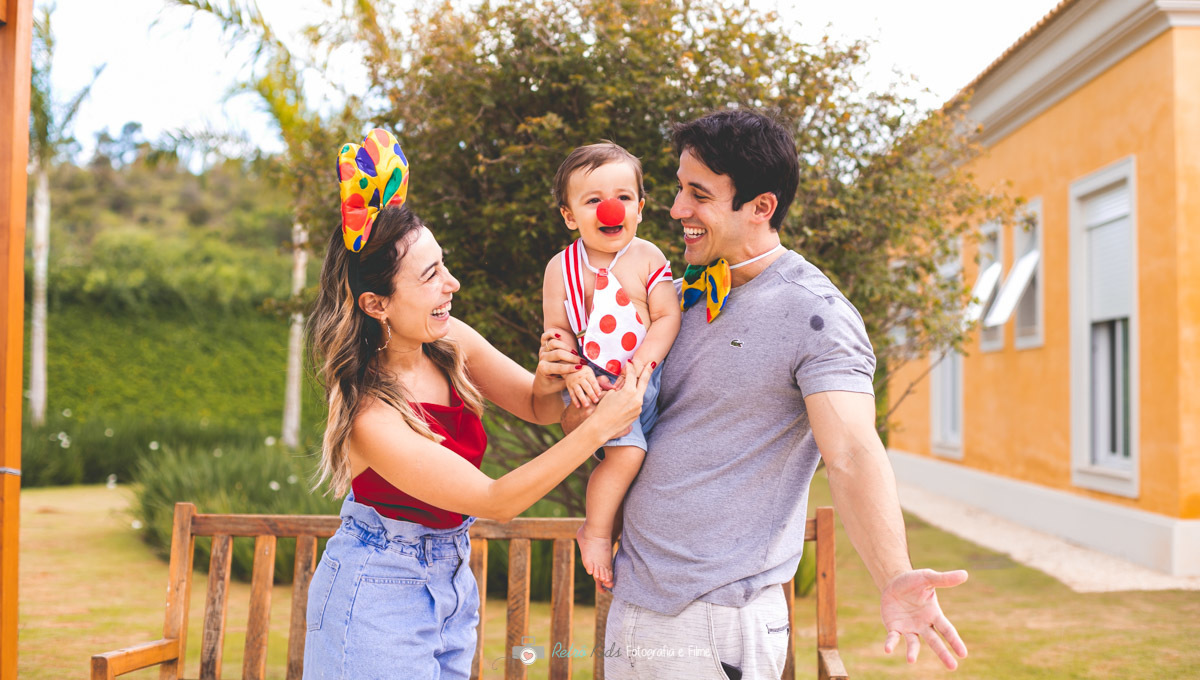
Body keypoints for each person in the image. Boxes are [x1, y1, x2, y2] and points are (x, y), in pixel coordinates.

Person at [557, 110, 970, 679]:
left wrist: (894, 573)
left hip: (718, 620)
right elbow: (598, 433)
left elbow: (851, 453)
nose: (676, 210)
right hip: (636, 603)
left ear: (760, 206)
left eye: (697, 194)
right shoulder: (672, 301)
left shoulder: (816, 314)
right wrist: (572, 387)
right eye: (678, 190)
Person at [303, 129, 652, 680]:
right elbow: (495, 500)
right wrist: (596, 430)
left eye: (444, 265)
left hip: (450, 576)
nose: (453, 283)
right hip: (377, 589)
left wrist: (551, 374)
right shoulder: (371, 417)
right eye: (430, 276)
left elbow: (538, 408)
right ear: (376, 304)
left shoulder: (449, 343)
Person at [542, 142, 681, 588]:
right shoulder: (561, 269)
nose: (610, 209)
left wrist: (641, 366)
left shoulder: (648, 258)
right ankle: (596, 533)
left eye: (623, 197)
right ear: (569, 216)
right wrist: (574, 372)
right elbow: (558, 333)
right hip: (597, 384)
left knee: (646, 464)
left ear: (639, 208)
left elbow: (666, 316)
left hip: (645, 378)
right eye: (593, 200)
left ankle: (619, 531)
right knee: (628, 453)